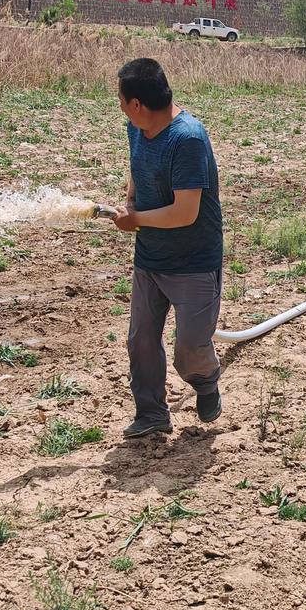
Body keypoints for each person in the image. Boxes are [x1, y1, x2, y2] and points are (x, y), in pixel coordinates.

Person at [109, 58, 223, 438]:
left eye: (121, 100)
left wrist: (136, 219)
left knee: (190, 348)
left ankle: (205, 382)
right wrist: (130, 199)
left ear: (137, 103)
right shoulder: (137, 127)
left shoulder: (187, 138)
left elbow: (185, 212)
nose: (120, 107)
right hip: (150, 257)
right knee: (141, 341)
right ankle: (152, 413)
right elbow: (137, 166)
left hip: (193, 261)